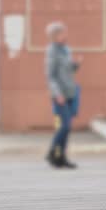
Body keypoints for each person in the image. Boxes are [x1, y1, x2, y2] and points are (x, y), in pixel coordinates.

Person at [45, 22, 81, 169]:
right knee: (65, 126)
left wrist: (76, 64)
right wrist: (57, 94)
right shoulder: (52, 51)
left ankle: (61, 158)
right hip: (59, 95)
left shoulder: (66, 50)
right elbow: (51, 76)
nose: (66, 36)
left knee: (68, 127)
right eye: (63, 34)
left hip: (71, 92)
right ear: (55, 36)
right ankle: (52, 152)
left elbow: (69, 70)